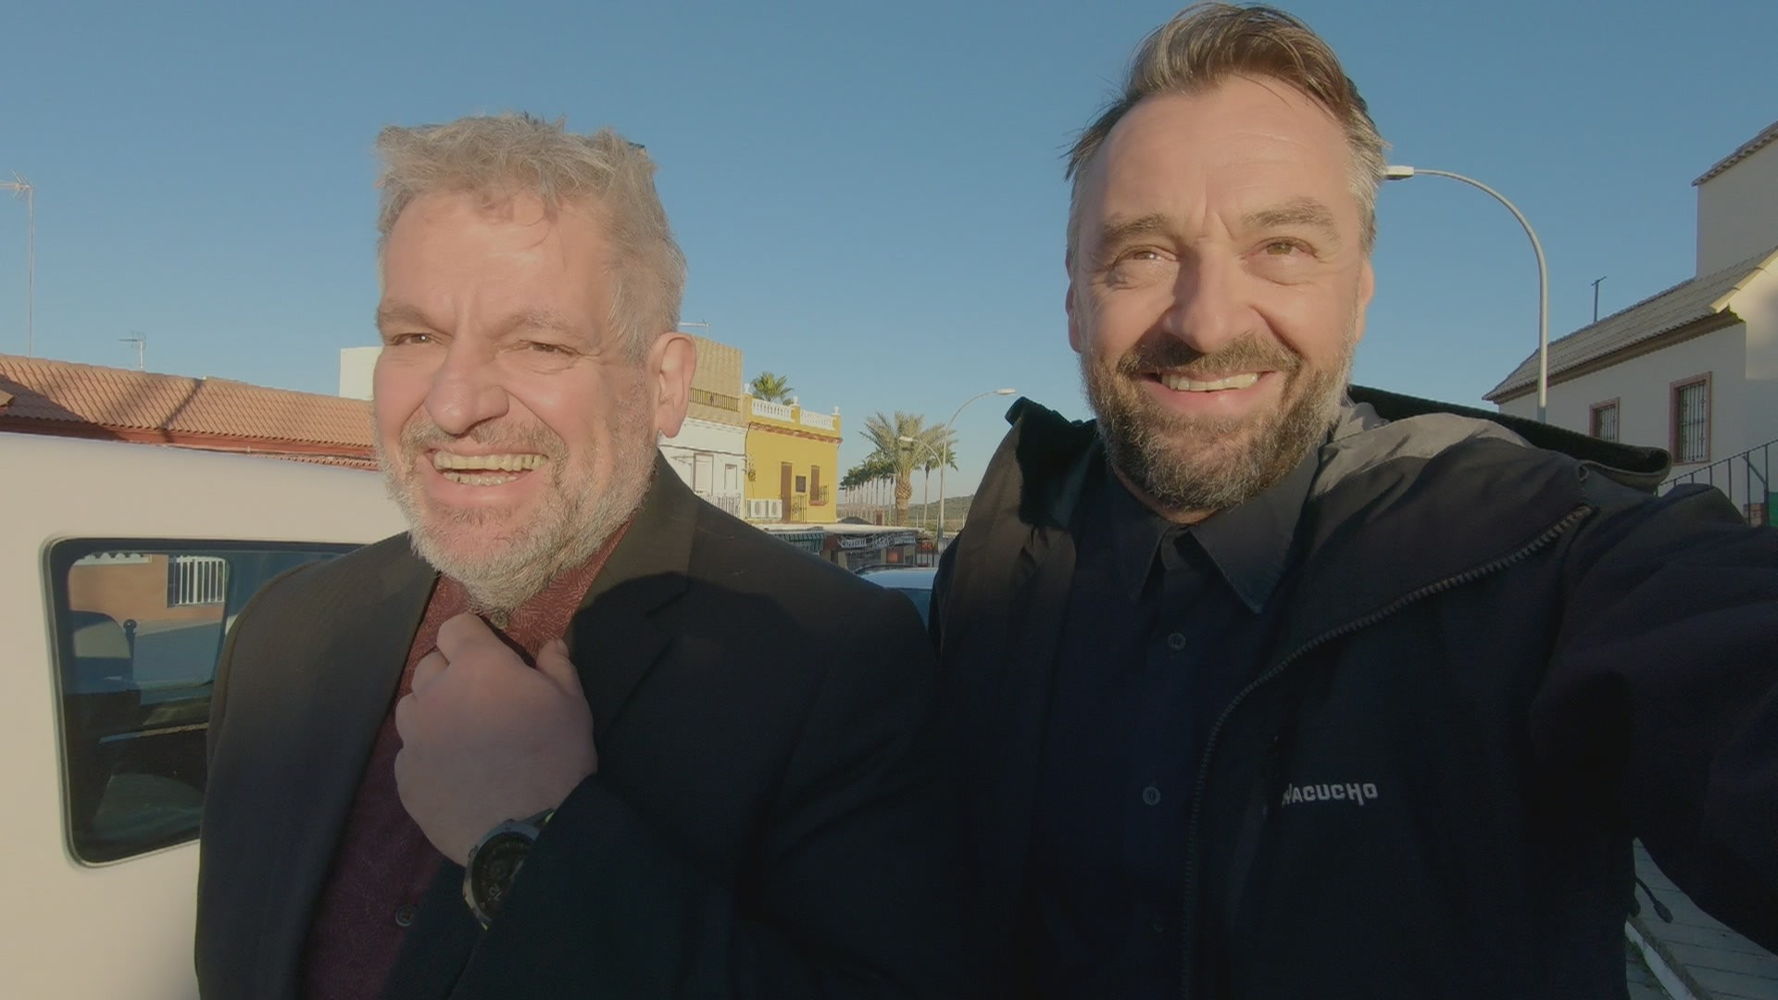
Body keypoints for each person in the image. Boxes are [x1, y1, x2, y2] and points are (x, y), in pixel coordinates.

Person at [932, 5, 1778, 998]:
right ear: (1075, 303)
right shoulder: (993, 569)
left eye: (1282, 246)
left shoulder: (1530, 548)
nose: (1206, 322)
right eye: (1142, 255)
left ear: (1360, 293)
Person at [196, 114, 959, 999]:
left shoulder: (831, 660)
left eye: (539, 344)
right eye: (414, 338)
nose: (453, 405)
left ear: (663, 384)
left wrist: (534, 839)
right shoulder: (286, 633)